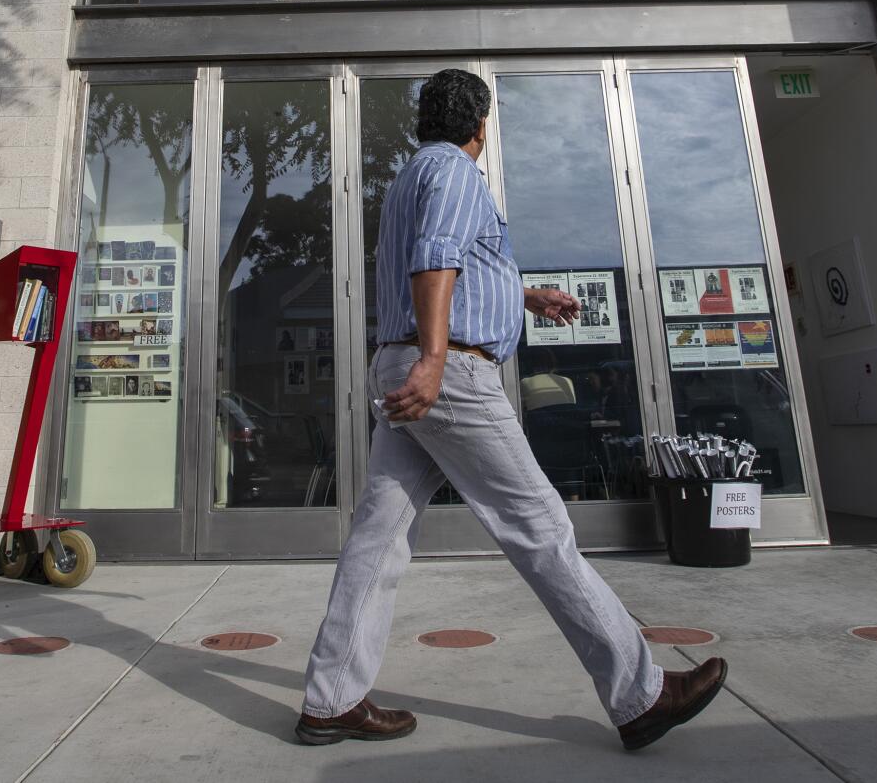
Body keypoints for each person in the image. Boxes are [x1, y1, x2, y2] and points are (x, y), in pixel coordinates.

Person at [296, 68, 726, 752]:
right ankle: (640, 693)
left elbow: (454, 261)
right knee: (540, 525)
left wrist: (525, 296)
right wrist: (437, 361)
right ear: (480, 127)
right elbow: (436, 261)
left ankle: (331, 697)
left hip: (405, 362)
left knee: (379, 535)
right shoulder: (459, 175)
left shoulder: (410, 177)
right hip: (451, 372)